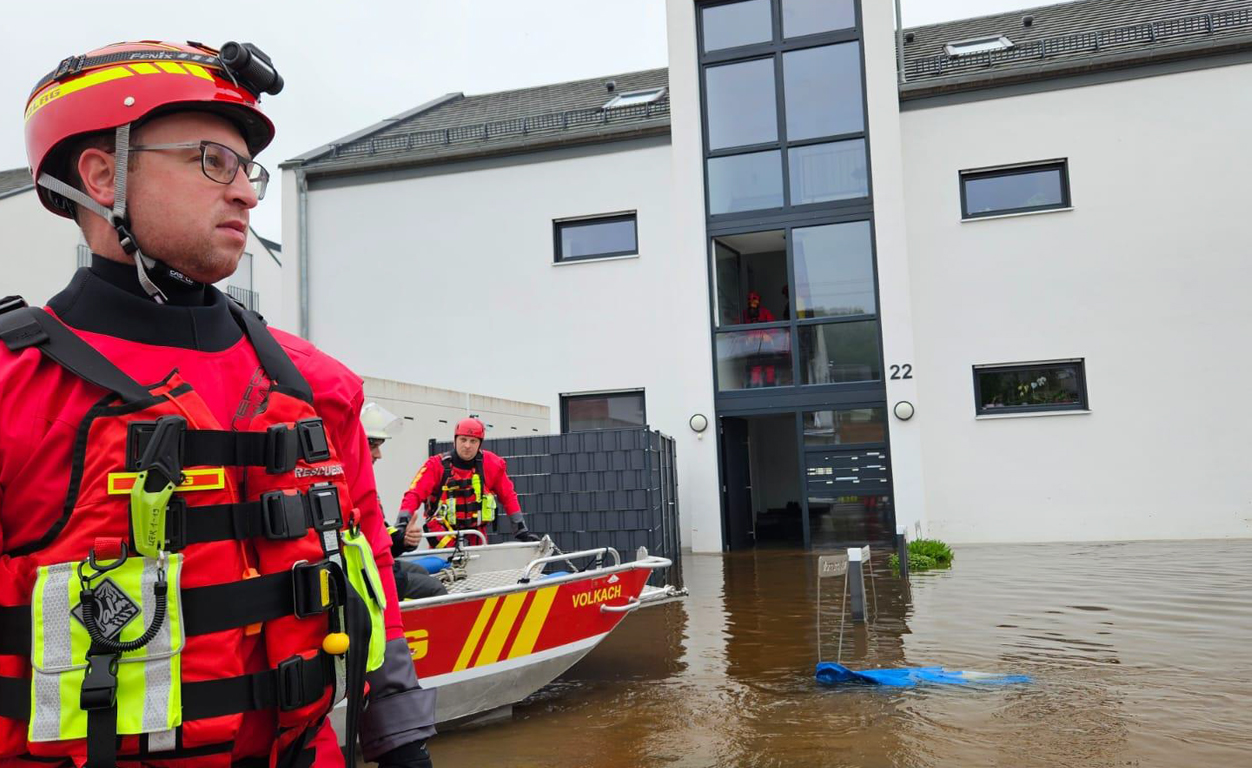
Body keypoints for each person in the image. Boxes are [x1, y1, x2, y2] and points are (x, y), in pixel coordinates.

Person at [0, 42, 434, 768]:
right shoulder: (16, 389)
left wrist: (403, 741)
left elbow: (369, 569)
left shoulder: (315, 386)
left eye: (249, 170)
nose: (247, 193)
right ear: (102, 176)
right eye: (211, 161)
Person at [400, 418, 541, 548]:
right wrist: (401, 525)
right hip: (443, 540)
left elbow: (508, 496)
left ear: (480, 443)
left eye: (473, 441)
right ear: (455, 440)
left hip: (477, 539)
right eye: (463, 439)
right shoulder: (435, 465)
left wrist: (521, 530)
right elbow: (414, 494)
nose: (467, 445)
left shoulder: (492, 464)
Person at [360, 403, 447, 600]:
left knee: (421, 572)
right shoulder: (350, 486)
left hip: (374, 563)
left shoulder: (363, 483)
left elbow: (380, 529)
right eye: (372, 446)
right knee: (436, 590)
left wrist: (403, 539)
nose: (379, 455)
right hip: (364, 573)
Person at [741, 290, 778, 388]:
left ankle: (771, 387)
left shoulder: (765, 312)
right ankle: (754, 388)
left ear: (758, 300)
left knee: (769, 368)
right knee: (754, 369)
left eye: (754, 299)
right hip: (752, 346)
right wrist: (746, 338)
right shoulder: (745, 314)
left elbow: (774, 328)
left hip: (765, 345)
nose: (752, 302)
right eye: (750, 300)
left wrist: (769, 336)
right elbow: (740, 329)